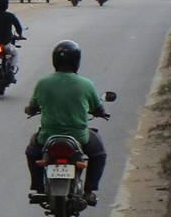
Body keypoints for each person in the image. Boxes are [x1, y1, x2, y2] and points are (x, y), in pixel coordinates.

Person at [25, 40, 108, 206]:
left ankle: (39, 186)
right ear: (77, 61)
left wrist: (30, 110)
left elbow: (32, 106)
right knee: (99, 154)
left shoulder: (43, 83)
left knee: (32, 151)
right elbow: (98, 108)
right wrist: (101, 113)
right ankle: (89, 190)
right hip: (79, 137)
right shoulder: (86, 84)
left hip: (48, 136)